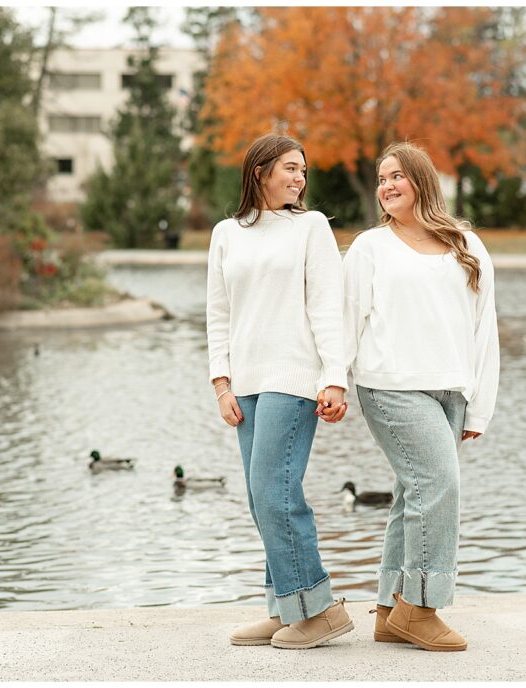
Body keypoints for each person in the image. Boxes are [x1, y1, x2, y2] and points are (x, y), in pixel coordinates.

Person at [338, 141, 499, 651]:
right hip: (389, 385)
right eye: (381, 178)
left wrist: (480, 403)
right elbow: (346, 321)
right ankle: (422, 606)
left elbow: (483, 328)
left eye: (396, 176)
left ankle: (390, 609)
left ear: (422, 181)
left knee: (414, 493)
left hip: (450, 389)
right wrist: (333, 381)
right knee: (439, 484)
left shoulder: (466, 245)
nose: (386, 186)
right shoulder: (369, 247)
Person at [206, 133, 353, 650]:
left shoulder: (311, 228)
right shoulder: (226, 233)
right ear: (259, 171)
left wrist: (335, 376)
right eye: (290, 168)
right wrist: (220, 383)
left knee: (275, 491)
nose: (299, 178)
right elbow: (218, 313)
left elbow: (327, 306)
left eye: (303, 171)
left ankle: (318, 609)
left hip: (293, 378)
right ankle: (283, 606)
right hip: (244, 382)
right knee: (258, 495)